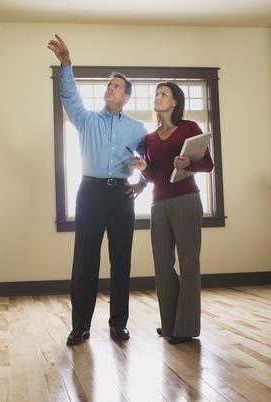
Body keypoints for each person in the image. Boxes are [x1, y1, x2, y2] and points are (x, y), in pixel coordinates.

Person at [47, 34, 147, 345]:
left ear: (126, 96)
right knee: (85, 261)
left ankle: (119, 324)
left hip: (121, 196)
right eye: (108, 84)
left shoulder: (138, 129)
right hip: (90, 194)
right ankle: (80, 326)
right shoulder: (87, 120)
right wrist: (66, 64)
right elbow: (70, 98)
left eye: (116, 86)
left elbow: (150, 162)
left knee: (121, 262)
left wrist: (141, 181)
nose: (110, 88)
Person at [131, 81, 213, 344]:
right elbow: (154, 177)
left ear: (175, 102)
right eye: (156, 94)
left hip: (186, 199)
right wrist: (144, 168)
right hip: (159, 204)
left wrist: (190, 162)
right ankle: (171, 325)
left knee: (189, 263)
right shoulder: (149, 139)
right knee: (162, 264)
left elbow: (208, 165)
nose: (158, 97)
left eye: (163, 94)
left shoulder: (189, 128)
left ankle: (185, 328)